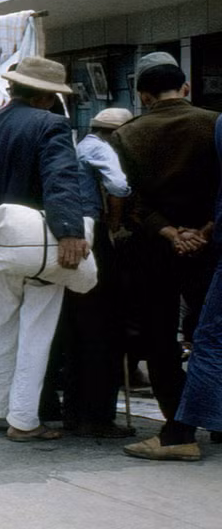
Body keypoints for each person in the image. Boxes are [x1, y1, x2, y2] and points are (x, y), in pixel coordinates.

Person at [0, 56, 88, 441]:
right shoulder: (51, 125)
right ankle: (23, 420)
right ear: (47, 96)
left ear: (12, 89)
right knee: (36, 333)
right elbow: (61, 179)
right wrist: (70, 232)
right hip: (39, 244)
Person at [112, 52, 220, 461]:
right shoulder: (214, 124)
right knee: (211, 337)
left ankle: (178, 431)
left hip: (155, 247)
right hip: (212, 246)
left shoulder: (126, 135)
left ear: (142, 96)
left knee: (160, 339)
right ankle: (217, 420)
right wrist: (204, 230)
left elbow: (130, 201)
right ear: (186, 88)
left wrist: (171, 232)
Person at [45, 107, 134, 438]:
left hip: (72, 235)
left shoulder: (79, 146)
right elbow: (120, 184)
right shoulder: (100, 147)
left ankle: (74, 412)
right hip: (93, 236)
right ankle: (96, 416)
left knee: (77, 328)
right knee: (103, 328)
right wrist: (114, 221)